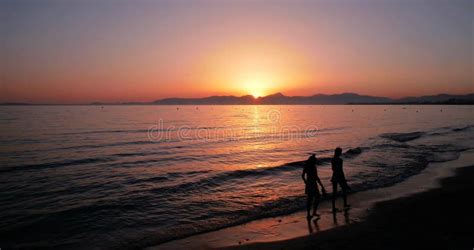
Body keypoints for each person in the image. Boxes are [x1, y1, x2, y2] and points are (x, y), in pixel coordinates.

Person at [302, 154, 326, 219]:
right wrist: (322, 186)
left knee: (310, 199)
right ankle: (312, 212)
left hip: (309, 183)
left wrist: (305, 181)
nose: (316, 162)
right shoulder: (313, 167)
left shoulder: (306, 166)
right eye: (315, 161)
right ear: (312, 161)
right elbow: (316, 177)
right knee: (315, 198)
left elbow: (303, 175)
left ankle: (309, 214)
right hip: (312, 184)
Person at [331, 147, 350, 213]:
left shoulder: (334, 160)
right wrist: (343, 178)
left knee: (336, 192)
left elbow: (333, 169)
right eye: (340, 152)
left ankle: (335, 206)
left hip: (336, 176)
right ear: (338, 152)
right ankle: (343, 204)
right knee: (341, 190)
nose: (341, 153)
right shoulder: (338, 160)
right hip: (338, 176)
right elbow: (339, 170)